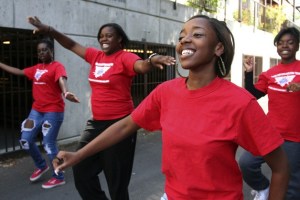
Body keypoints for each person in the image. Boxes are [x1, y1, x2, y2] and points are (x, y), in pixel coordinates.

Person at [50, 15, 290, 200]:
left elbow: (280, 168)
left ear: (218, 48)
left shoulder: (239, 102)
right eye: (182, 35)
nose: (185, 39)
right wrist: (78, 155)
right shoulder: (166, 92)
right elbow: (125, 125)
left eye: (197, 35)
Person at [28, 16, 176, 200]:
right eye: (101, 36)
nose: (104, 39)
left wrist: (151, 60)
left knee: (117, 182)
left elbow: (140, 66)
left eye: (109, 36)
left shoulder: (125, 57)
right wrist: (50, 29)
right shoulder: (95, 56)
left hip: (121, 124)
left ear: (119, 39)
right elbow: (71, 44)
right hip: (96, 124)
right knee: (81, 171)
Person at [0, 38, 79, 189]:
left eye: (44, 50)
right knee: (25, 139)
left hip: (53, 111)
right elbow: (19, 71)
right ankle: (41, 165)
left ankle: (59, 176)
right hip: (36, 111)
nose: (42, 53)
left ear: (51, 51)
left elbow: (61, 79)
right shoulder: (36, 68)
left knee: (48, 144)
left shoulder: (57, 66)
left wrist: (66, 91)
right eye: (39, 51)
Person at [239, 27, 300, 200]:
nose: (284, 46)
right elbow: (252, 94)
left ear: (297, 46)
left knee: (292, 183)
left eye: (290, 42)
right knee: (247, 164)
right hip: (270, 133)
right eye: (280, 43)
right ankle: (264, 189)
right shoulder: (270, 74)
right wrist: (249, 73)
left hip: (295, 137)